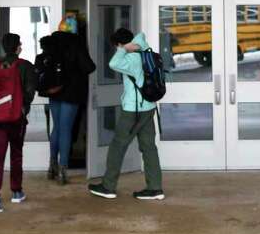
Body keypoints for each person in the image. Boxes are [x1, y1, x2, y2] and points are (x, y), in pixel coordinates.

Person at [88, 28, 165, 201]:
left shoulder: (131, 58)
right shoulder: (146, 51)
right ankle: (155, 187)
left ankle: (108, 186)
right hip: (149, 107)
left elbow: (113, 64)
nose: (117, 50)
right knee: (148, 147)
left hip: (133, 110)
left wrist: (123, 49)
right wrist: (129, 46)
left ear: (120, 44)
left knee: (117, 146)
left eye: (118, 46)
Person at [0, 32, 38, 213]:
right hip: (16, 119)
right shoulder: (25, 66)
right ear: (17, 47)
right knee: (16, 154)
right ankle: (16, 192)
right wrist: (22, 106)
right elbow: (29, 92)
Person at [36, 24, 96, 185]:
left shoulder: (51, 42)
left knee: (56, 128)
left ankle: (52, 166)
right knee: (66, 129)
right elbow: (89, 67)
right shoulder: (76, 43)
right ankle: (63, 169)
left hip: (54, 92)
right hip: (72, 92)